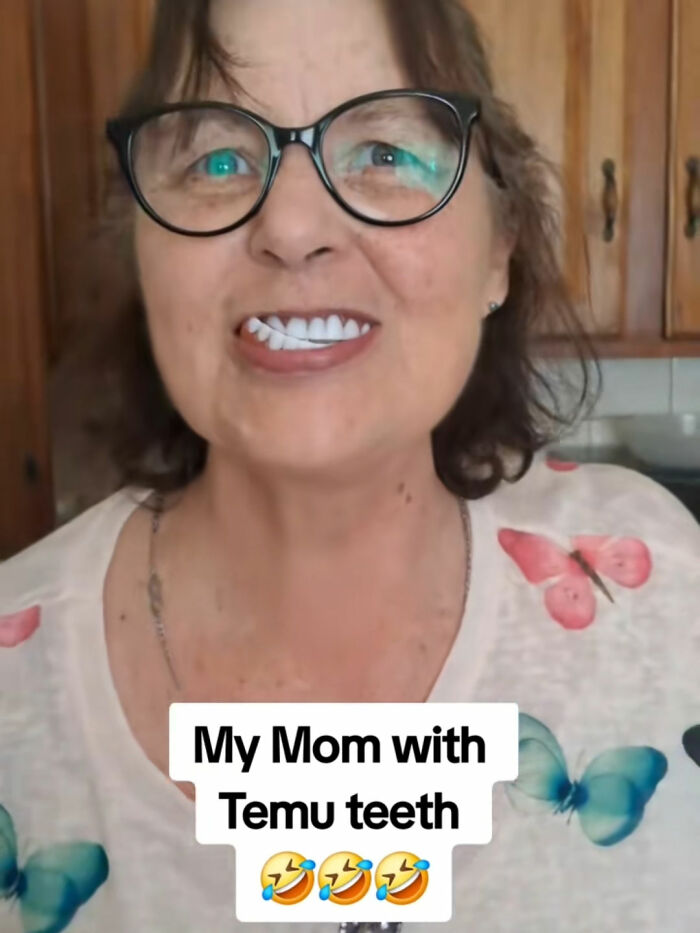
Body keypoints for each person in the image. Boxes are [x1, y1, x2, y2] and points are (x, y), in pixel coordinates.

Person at [1, 0, 698, 930]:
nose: (293, 227)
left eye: (384, 153)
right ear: (142, 247)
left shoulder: (668, 609)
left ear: (501, 248)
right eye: (218, 160)